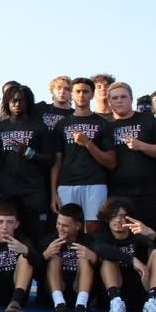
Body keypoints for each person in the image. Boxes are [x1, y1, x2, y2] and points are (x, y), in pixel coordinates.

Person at [50, 78, 116, 231]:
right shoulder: (62, 125)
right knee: (67, 228)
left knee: (93, 228)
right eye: (77, 91)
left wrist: (87, 143)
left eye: (85, 91)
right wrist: (53, 193)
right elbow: (56, 163)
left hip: (95, 183)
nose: (81, 95)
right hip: (67, 184)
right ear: (72, 94)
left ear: (92, 94)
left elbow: (111, 162)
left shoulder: (103, 124)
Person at [107, 81, 156, 235]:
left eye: (123, 97)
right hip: (118, 195)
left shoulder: (148, 121)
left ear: (131, 99)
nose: (119, 100)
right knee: (125, 241)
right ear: (109, 102)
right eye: (115, 98)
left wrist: (142, 146)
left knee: (154, 238)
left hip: (150, 194)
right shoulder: (106, 126)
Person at [93, 197, 156, 312]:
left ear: (131, 219)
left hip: (140, 287)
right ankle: (116, 302)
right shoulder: (102, 236)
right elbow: (100, 249)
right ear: (107, 218)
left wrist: (151, 233)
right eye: (113, 216)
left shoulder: (138, 236)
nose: (118, 220)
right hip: (113, 290)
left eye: (123, 216)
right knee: (108, 259)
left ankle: (153, 301)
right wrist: (133, 260)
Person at [0, 84, 53, 240]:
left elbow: (50, 159)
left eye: (21, 101)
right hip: (8, 189)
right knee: (10, 234)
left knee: (37, 232)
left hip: (34, 190)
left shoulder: (39, 127)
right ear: (7, 102)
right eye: (13, 100)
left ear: (28, 102)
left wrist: (28, 152)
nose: (17, 104)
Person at [42, 203, 99, 312]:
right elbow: (36, 270)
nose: (60, 228)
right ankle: (59, 304)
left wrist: (94, 258)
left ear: (77, 226)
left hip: (81, 290)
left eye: (65, 226)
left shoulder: (89, 241)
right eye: (58, 224)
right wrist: (45, 255)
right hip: (56, 292)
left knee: (84, 256)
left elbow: (103, 269)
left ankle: (81, 305)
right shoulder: (48, 240)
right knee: (54, 257)